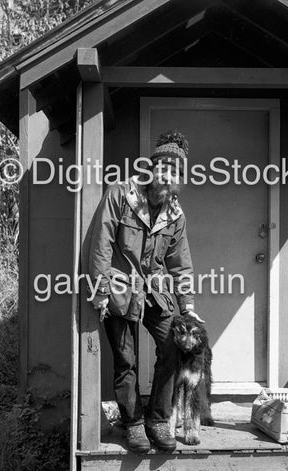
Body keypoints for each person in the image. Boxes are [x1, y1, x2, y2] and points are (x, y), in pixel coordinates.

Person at [88, 131, 203, 453]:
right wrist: (99, 290)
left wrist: (188, 303)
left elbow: (180, 262)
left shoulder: (175, 214)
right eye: (163, 167)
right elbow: (102, 242)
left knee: (172, 348)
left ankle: (158, 419)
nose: (167, 175)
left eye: (175, 171)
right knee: (126, 360)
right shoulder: (121, 194)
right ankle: (134, 423)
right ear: (152, 169)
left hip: (155, 290)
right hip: (119, 287)